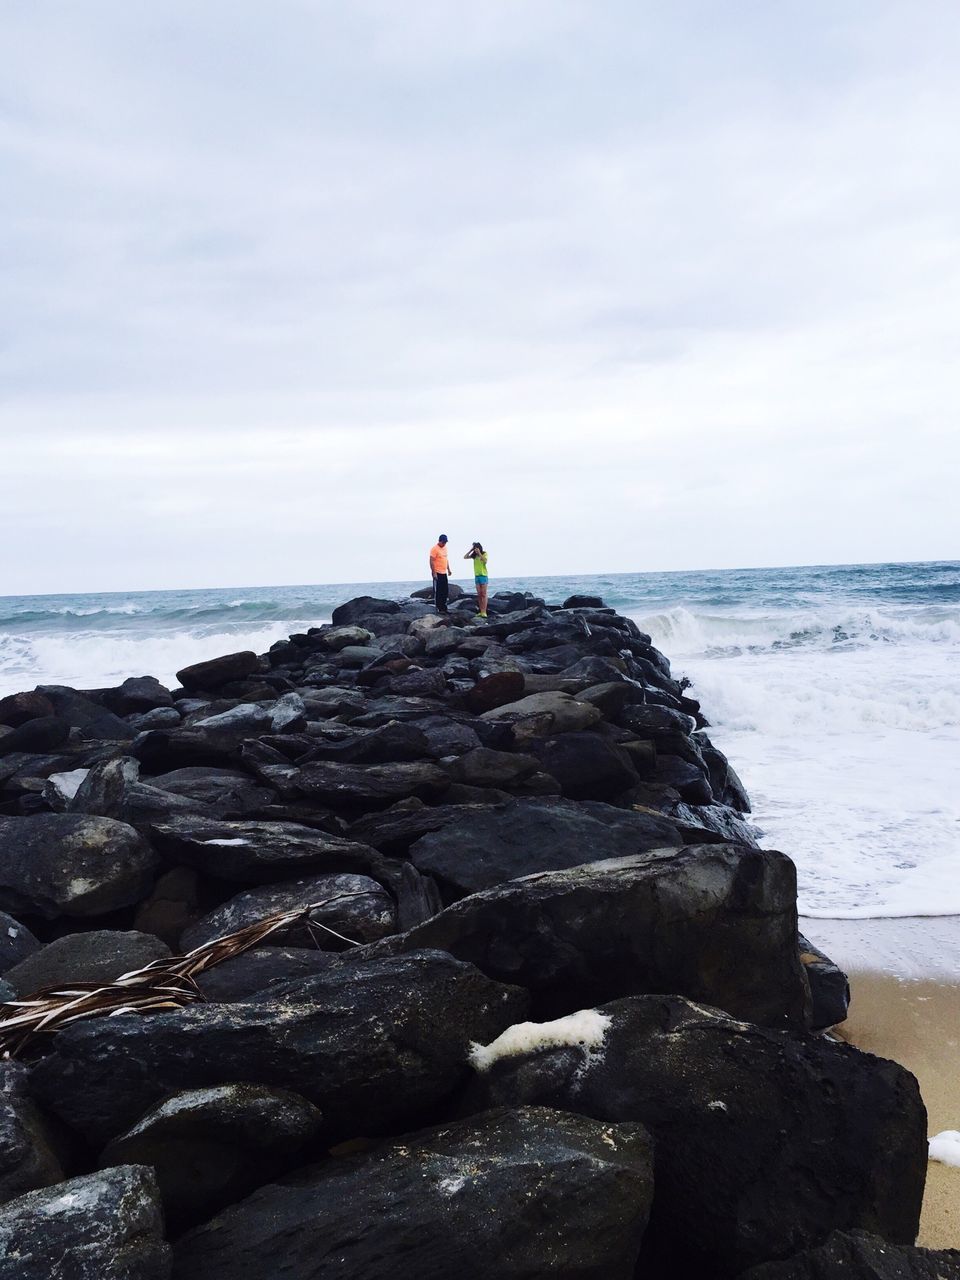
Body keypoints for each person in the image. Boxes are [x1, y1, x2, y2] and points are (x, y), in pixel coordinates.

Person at [464, 541, 489, 618]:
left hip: (483, 576)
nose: (475, 549)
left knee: (484, 594)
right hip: (477, 576)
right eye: (474, 548)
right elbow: (465, 557)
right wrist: (471, 550)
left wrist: (479, 553)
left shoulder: (484, 554)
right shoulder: (474, 556)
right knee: (479, 595)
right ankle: (481, 611)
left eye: (476, 548)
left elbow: (485, 561)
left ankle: (484, 611)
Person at [429, 534, 452, 614]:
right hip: (437, 572)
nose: (444, 544)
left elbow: (446, 559)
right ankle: (439, 608)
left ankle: (444, 607)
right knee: (439, 591)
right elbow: (431, 561)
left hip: (443, 572)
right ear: (440, 541)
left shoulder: (445, 548)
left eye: (445, 542)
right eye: (443, 542)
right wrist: (434, 572)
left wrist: (448, 569)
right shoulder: (434, 549)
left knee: (445, 590)